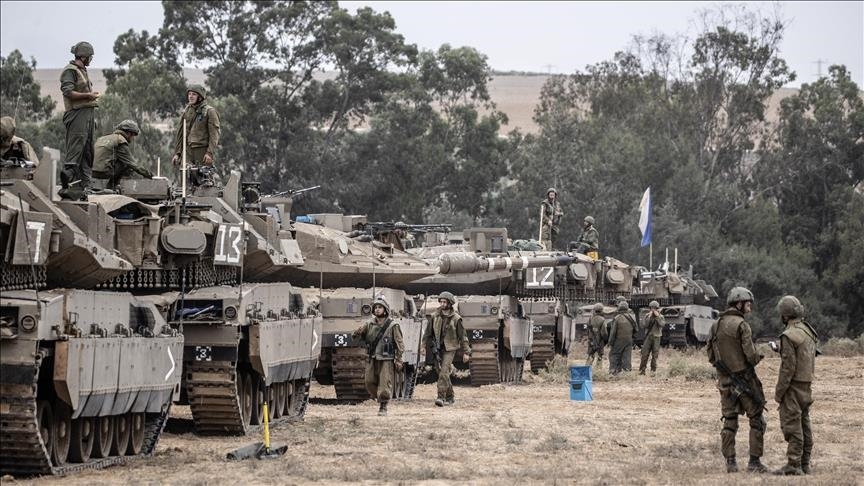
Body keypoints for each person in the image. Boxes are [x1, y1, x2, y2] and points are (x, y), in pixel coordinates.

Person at [706, 287, 769, 474]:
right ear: (739, 303)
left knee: (729, 421)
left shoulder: (715, 325)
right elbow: (751, 357)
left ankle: (731, 462)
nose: (750, 306)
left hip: (725, 381)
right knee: (757, 420)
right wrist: (761, 353)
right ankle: (754, 462)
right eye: (747, 302)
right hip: (745, 381)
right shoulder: (742, 325)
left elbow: (711, 356)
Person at [773, 295, 817, 476]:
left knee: (792, 425)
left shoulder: (788, 335)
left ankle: (793, 464)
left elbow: (788, 368)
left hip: (793, 386)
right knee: (804, 423)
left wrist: (779, 392)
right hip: (806, 384)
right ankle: (804, 463)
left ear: (784, 315)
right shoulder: (808, 330)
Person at [59, 41, 100, 199]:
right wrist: (88, 96)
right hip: (76, 114)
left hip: (87, 114)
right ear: (83, 57)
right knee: (76, 148)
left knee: (87, 150)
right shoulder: (70, 71)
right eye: (90, 57)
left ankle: (85, 186)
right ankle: (67, 185)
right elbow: (68, 92)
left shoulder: (82, 70)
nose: (91, 60)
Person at [351, 298, 404, 416]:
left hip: (386, 358)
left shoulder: (392, 325)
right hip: (372, 356)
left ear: (385, 310)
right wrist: (357, 333)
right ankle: (380, 396)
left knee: (385, 382)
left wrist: (399, 359)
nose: (377, 309)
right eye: (375, 307)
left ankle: (383, 405)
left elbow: (400, 343)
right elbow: (358, 337)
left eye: (380, 307)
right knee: (369, 381)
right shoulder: (369, 324)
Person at [422, 291, 471, 407]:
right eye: (441, 302)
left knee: (444, 371)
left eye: (445, 302)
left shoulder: (456, 318)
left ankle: (441, 397)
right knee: (441, 373)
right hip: (437, 348)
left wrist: (466, 352)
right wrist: (423, 346)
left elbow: (463, 336)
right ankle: (450, 396)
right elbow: (427, 333)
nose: (442, 304)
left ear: (450, 303)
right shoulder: (434, 316)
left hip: (450, 348)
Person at [172, 84, 220, 187]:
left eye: (194, 94)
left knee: (205, 180)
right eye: (189, 94)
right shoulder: (186, 111)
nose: (190, 96)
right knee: (185, 179)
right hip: (188, 151)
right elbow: (180, 134)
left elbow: (214, 135)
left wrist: (210, 153)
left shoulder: (209, 112)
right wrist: (178, 153)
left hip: (202, 151)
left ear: (200, 97)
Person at [92, 120, 152, 188]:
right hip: (104, 172)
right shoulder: (120, 141)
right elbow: (133, 164)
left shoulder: (103, 138)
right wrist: (149, 175)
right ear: (129, 133)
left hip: (92, 171)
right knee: (126, 163)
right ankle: (112, 187)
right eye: (133, 135)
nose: (133, 138)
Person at [607, 300, 637, 374]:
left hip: (619, 340)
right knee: (627, 356)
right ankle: (627, 372)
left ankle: (613, 371)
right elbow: (636, 329)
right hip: (629, 340)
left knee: (614, 354)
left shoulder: (617, 318)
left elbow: (613, 332)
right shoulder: (632, 317)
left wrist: (610, 342)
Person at [639, 300, 665, 375]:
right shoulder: (647, 316)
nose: (653, 310)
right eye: (652, 308)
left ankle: (653, 370)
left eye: (655, 308)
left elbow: (662, 324)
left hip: (657, 337)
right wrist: (649, 317)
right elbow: (644, 325)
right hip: (648, 337)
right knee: (644, 354)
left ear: (657, 308)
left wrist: (657, 317)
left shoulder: (661, 316)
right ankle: (642, 370)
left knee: (655, 355)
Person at [585, 303, 607, 367]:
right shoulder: (602, 320)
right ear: (601, 310)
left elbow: (587, 330)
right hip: (599, 342)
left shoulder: (590, 319)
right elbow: (604, 333)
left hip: (591, 341)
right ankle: (598, 370)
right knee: (599, 358)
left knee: (590, 357)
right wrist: (605, 341)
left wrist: (590, 338)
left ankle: (586, 369)